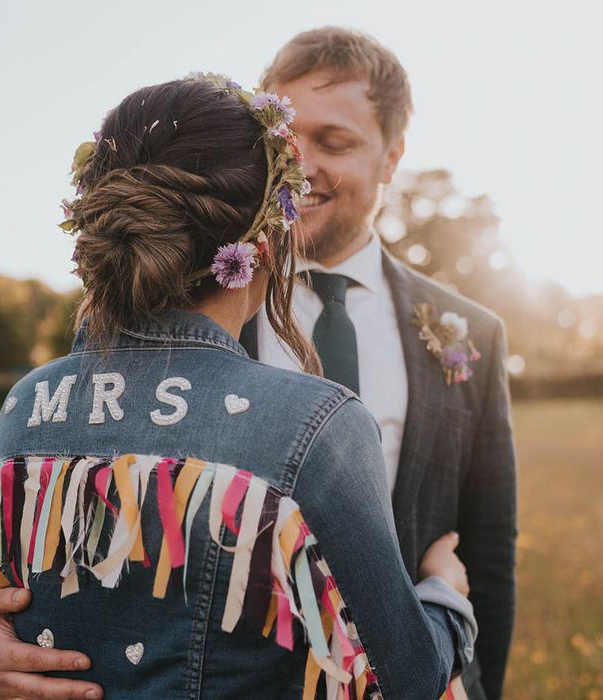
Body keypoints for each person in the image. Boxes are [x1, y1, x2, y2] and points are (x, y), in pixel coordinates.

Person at [0, 74, 476, 699]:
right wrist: (447, 597)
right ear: (265, 243)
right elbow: (403, 678)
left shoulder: (26, 405)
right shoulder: (315, 424)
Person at [238, 28, 517, 700]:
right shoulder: (199, 305)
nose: (298, 166)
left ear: (392, 158)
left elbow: (490, 558)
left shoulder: (472, 333)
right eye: (283, 141)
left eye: (333, 143)